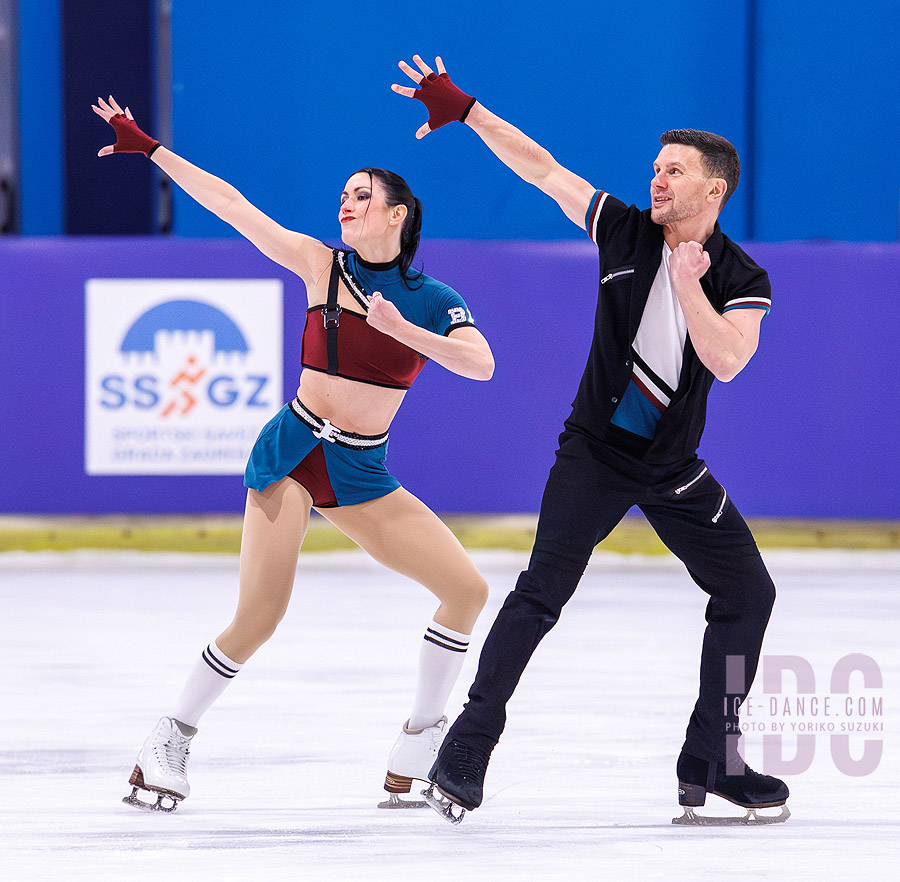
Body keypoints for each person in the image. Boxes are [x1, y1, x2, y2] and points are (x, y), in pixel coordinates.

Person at [391, 57, 790, 825]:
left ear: (716, 189)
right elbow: (542, 168)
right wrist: (468, 111)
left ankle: (713, 758)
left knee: (749, 594)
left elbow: (729, 360)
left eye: (675, 171)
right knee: (541, 593)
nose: (658, 180)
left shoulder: (742, 275)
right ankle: (468, 745)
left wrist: (686, 287)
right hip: (594, 456)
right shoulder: (625, 231)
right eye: (655, 167)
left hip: (673, 470)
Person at [91, 96, 494, 812]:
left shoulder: (433, 299)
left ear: (397, 213)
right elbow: (233, 205)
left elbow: (480, 365)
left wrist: (403, 330)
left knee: (466, 590)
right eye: (342, 195)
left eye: (361, 196)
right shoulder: (320, 265)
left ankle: (419, 741)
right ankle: (169, 738)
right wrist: (150, 148)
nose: (346, 204)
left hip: (363, 469)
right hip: (295, 455)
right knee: (261, 616)